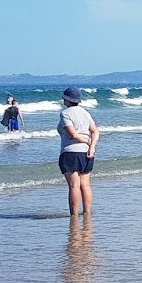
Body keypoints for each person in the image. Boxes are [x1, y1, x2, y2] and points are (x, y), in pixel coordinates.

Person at [58, 87, 99, 218]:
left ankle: (74, 215)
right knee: (85, 185)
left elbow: (73, 135)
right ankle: (87, 213)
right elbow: (95, 131)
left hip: (70, 153)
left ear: (67, 99)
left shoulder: (65, 114)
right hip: (86, 154)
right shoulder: (85, 113)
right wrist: (91, 147)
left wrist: (87, 142)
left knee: (74, 186)